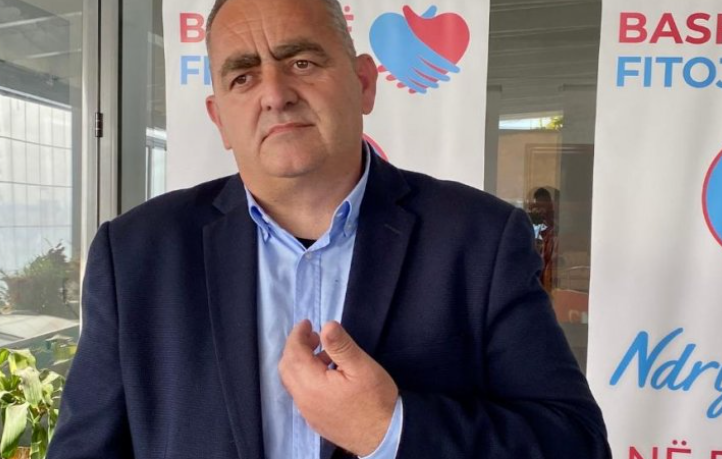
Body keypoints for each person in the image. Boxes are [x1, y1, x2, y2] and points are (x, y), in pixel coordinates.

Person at [47, 0, 611, 457]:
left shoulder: (480, 238)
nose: (275, 94)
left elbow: (575, 443)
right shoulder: (135, 254)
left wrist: (390, 430)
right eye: (243, 76)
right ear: (220, 119)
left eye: (301, 63)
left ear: (364, 83)